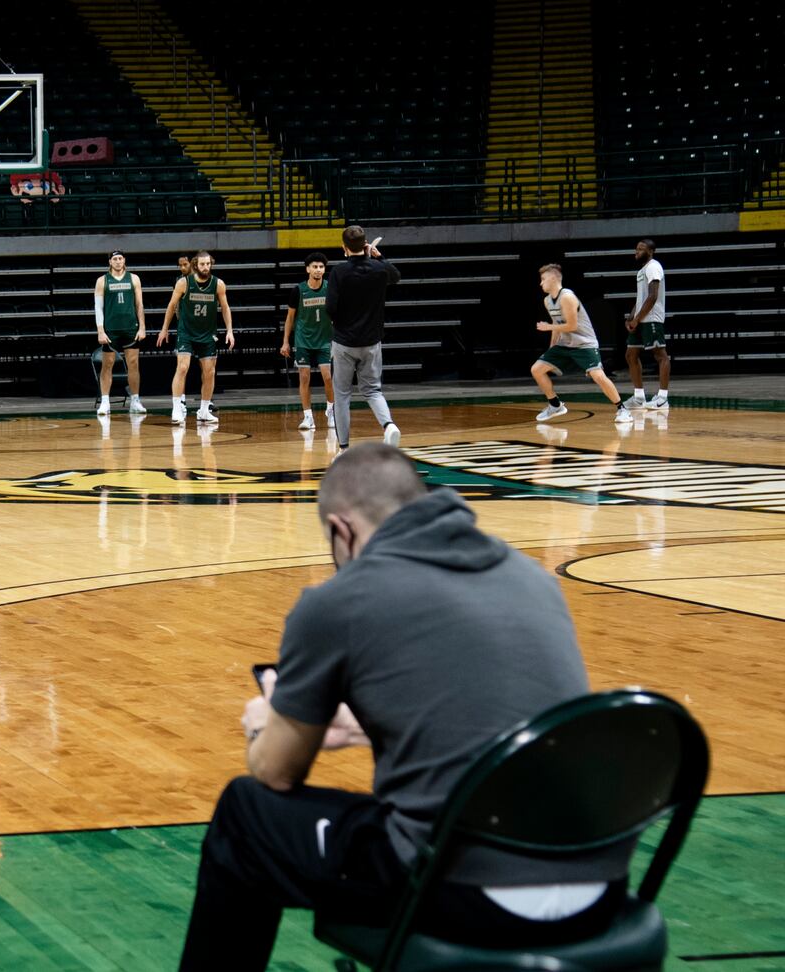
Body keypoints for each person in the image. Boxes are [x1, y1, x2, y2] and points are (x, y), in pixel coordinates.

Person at [180, 445, 626, 969]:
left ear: (342, 530)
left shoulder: (337, 601)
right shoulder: (530, 576)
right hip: (602, 885)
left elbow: (277, 773)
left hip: (469, 890)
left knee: (246, 813)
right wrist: (367, 728)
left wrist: (266, 725)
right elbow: (501, 726)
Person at [327, 226, 401, 450]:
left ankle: (344, 448)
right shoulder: (379, 269)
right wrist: (378, 256)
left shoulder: (339, 272)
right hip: (371, 342)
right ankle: (388, 425)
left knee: (342, 395)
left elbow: (330, 307)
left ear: (344, 247)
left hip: (344, 343)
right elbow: (396, 276)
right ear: (365, 244)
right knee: (372, 390)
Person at [532, 264, 632, 424]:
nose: (541, 283)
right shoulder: (547, 301)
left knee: (598, 376)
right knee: (537, 369)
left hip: (584, 344)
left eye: (543, 279)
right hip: (565, 344)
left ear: (553, 278)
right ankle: (555, 405)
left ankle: (622, 409)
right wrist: (552, 349)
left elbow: (572, 326)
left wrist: (548, 327)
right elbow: (556, 325)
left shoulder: (567, 297)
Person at [158, 250, 234, 425]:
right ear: (195, 265)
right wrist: (164, 329)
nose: (206, 267)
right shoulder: (183, 283)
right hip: (186, 332)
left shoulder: (218, 284)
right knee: (183, 367)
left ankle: (204, 410)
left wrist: (229, 330)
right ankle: (177, 407)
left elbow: (226, 308)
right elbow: (171, 306)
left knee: (209, 372)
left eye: (208, 264)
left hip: (208, 334)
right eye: (202, 264)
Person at [280, 253, 336, 432]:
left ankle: (331, 411)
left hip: (324, 340)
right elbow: (289, 318)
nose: (318, 270)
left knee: (328, 376)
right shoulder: (298, 290)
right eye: (315, 267)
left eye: (321, 267)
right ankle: (308, 417)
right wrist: (285, 342)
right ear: (308, 269)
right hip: (303, 340)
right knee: (304, 378)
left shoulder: (330, 288)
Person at [95, 250, 147, 417]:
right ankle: (104, 401)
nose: (118, 261)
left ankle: (135, 400)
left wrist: (142, 327)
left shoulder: (134, 279)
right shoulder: (102, 281)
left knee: (133, 364)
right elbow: (98, 308)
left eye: (120, 258)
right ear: (110, 262)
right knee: (107, 365)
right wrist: (100, 330)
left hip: (130, 328)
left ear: (124, 260)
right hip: (111, 330)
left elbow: (139, 305)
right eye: (114, 259)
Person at [623, 238, 671, 411]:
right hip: (641, 319)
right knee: (631, 354)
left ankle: (663, 398)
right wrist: (631, 317)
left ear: (651, 251)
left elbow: (652, 296)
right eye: (636, 248)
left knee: (661, 356)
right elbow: (641, 298)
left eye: (641, 249)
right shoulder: (642, 270)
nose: (637, 251)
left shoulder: (653, 266)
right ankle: (639, 397)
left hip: (651, 318)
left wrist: (638, 318)